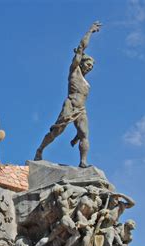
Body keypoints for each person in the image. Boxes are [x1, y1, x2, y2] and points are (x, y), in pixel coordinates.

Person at [34, 21, 102, 168]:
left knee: (84, 135)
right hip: (70, 104)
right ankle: (40, 150)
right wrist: (90, 31)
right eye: (88, 64)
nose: (90, 67)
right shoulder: (74, 71)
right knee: (57, 131)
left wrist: (76, 135)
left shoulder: (87, 83)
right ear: (82, 62)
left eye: (92, 66)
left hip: (81, 110)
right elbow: (82, 47)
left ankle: (83, 162)